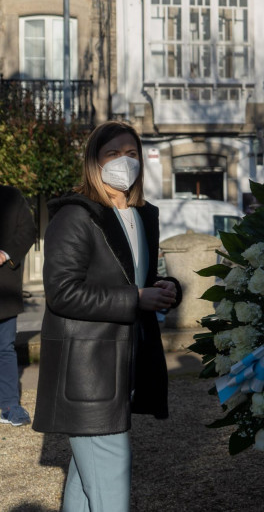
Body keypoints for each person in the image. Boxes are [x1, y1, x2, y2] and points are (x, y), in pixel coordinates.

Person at [32, 121, 182, 512]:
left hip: (121, 365)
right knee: (109, 474)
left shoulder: (139, 215)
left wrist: (164, 290)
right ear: (93, 162)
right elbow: (62, 292)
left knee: (88, 480)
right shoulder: (76, 215)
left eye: (131, 154)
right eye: (112, 154)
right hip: (87, 371)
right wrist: (136, 297)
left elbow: (133, 278)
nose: (123, 162)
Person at [0, 185, 37, 427]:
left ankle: (9, 405)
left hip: (3, 288)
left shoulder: (10, 196)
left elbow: (29, 230)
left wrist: (5, 254)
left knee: (5, 348)